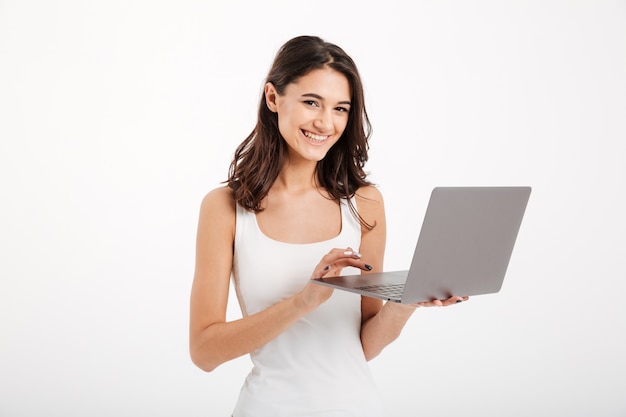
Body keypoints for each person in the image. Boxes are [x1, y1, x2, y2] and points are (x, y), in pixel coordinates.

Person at [189, 35, 468, 417]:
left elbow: (363, 346)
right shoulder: (225, 208)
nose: (326, 122)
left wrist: (406, 304)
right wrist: (304, 301)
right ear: (273, 98)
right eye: (311, 102)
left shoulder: (365, 203)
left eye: (341, 108)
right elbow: (204, 352)